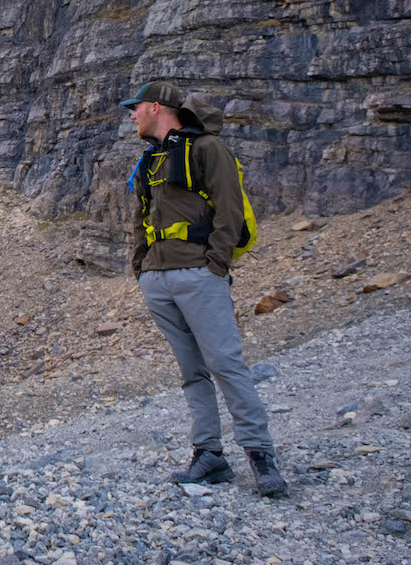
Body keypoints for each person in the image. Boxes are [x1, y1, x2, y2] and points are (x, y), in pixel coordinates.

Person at [122, 80, 288, 497]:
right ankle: (209, 455)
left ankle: (261, 457)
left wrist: (215, 265)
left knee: (225, 364)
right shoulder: (152, 159)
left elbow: (229, 209)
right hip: (158, 279)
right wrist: (141, 268)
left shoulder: (208, 150)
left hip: (198, 273)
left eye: (136, 107)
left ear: (156, 107)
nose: (131, 114)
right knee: (192, 372)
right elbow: (142, 215)